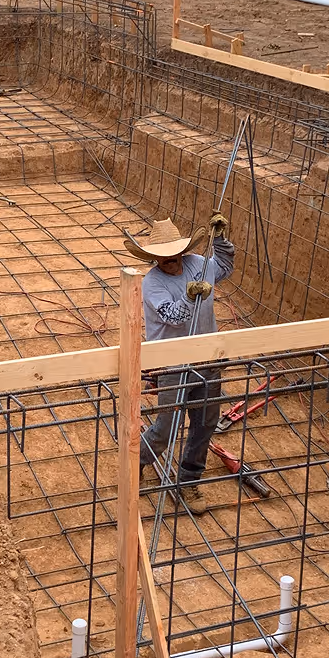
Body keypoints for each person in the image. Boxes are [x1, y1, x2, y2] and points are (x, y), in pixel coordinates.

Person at [127, 213, 234, 514]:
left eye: (175, 255)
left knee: (205, 424)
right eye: (164, 258)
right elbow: (173, 316)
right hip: (172, 363)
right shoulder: (152, 283)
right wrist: (189, 298)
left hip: (207, 357)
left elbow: (224, 267)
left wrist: (221, 241)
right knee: (167, 426)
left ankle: (188, 482)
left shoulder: (199, 265)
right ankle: (135, 464)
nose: (171, 261)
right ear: (155, 260)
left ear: (183, 251)